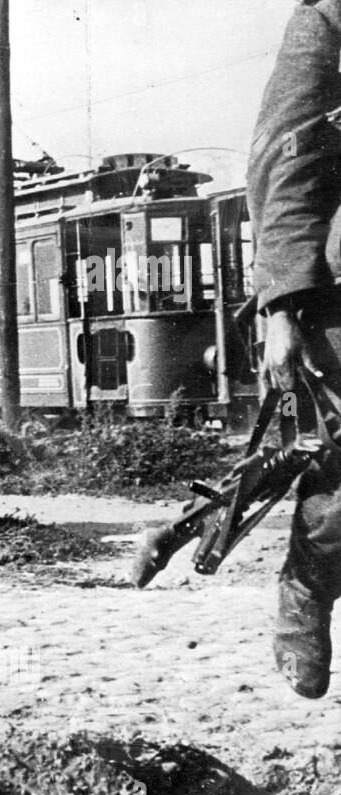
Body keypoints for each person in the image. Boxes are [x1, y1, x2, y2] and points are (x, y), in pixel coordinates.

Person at [247, 0, 341, 698]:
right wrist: (281, 306)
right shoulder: (327, 23)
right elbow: (288, 166)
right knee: (340, 492)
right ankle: (306, 595)